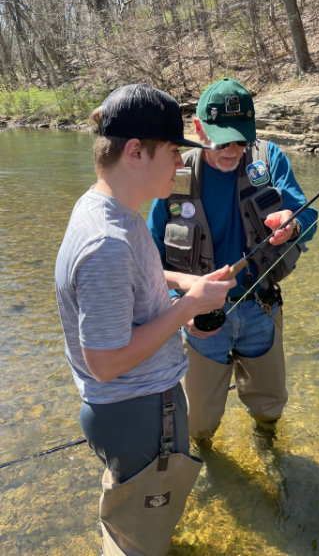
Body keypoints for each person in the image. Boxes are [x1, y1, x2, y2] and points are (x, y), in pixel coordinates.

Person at [54, 83, 236, 556]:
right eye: (174, 152)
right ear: (135, 152)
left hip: (127, 413)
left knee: (130, 512)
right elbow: (105, 362)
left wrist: (180, 286)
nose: (180, 165)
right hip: (138, 412)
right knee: (140, 541)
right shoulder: (107, 244)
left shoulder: (108, 207)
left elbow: (138, 278)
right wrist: (186, 309)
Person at [147, 77, 318, 442]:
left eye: (242, 139)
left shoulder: (269, 159)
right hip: (199, 319)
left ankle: (268, 443)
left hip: (261, 309)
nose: (233, 149)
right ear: (198, 128)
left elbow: (309, 215)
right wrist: (179, 305)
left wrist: (292, 224)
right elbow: (148, 260)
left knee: (270, 407)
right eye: (223, 140)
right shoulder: (174, 174)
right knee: (199, 422)